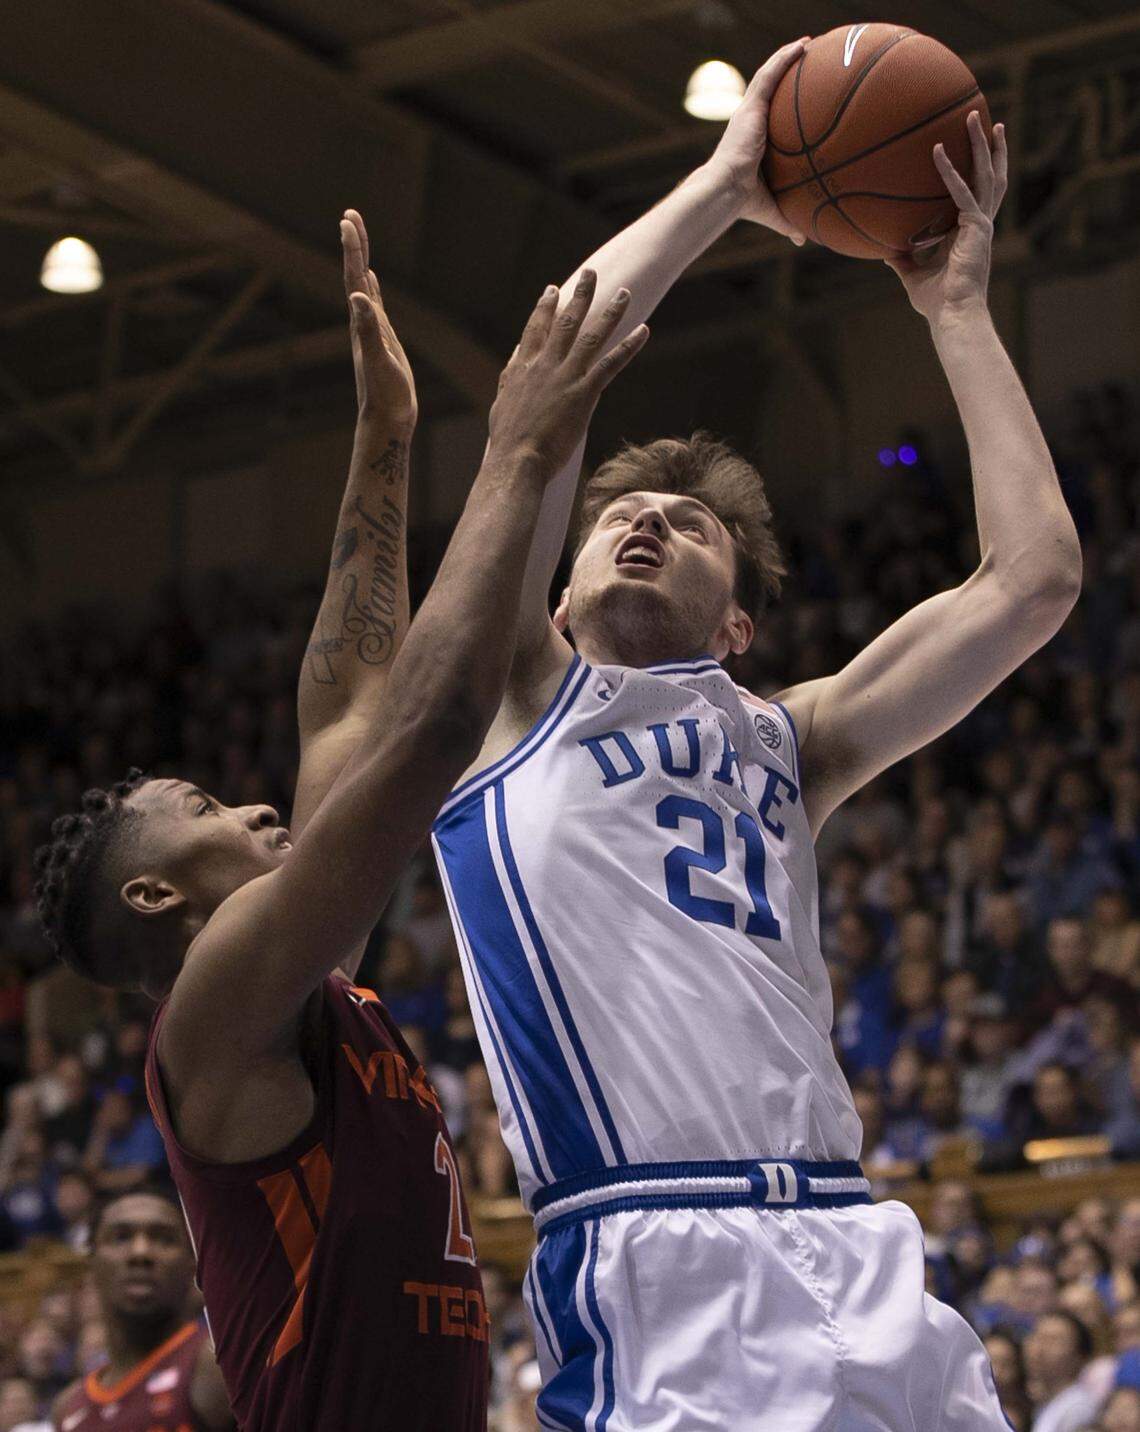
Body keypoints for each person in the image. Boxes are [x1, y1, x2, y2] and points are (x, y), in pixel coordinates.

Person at [432, 34, 1082, 1431]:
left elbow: (1033, 582)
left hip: (856, 1239)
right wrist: (729, 183)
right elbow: (553, 380)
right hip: (656, 1257)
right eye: (619, 517)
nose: (648, 519)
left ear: (740, 627)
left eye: (694, 522)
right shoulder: (514, 699)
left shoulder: (799, 739)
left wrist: (955, 311)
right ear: (556, 591)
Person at [32, 205, 647, 1431]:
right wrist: (516, 454)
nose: (257, 802)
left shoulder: (302, 1000)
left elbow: (352, 707)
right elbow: (423, 734)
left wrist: (387, 435)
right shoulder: (210, 1015)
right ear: (157, 898)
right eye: (203, 807)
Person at [51, 1189, 233, 1431]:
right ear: (91, 1262)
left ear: (192, 1264)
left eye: (164, 1239)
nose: (141, 1252)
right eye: (121, 1237)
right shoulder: (67, 1408)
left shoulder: (220, 1370)